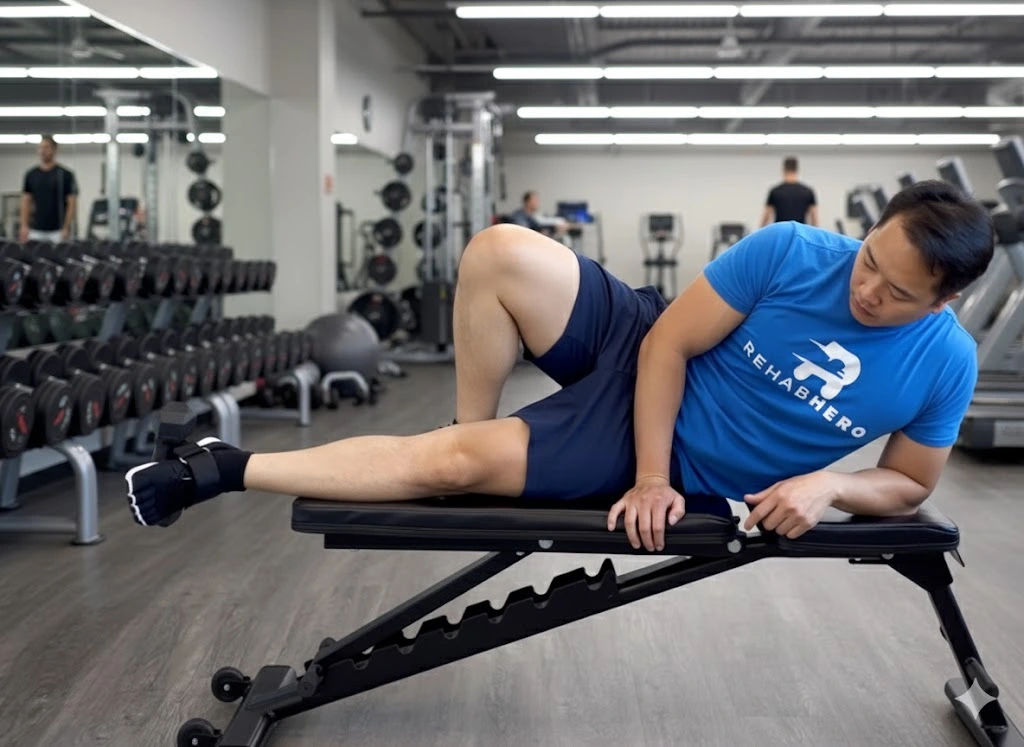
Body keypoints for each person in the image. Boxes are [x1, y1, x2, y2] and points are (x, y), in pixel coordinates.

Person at [126, 181, 993, 555]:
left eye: (896, 289)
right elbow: (668, 345)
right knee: (500, 250)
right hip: (650, 351)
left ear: (943, 300)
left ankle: (217, 465)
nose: (866, 285)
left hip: (668, 450)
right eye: (870, 257)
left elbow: (909, 484)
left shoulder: (944, 362)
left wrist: (831, 487)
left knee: (448, 466)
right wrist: (650, 480)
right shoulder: (795, 250)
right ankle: (471, 438)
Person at [19, 135, 78, 243]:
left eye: (46, 147)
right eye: (40, 147)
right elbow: (26, 201)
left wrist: (66, 227)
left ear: (54, 150)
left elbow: (72, 203)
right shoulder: (31, 174)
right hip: (35, 230)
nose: (43, 151)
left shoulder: (65, 175)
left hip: (58, 231)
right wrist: (24, 226)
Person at [761, 156, 818, 227]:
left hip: (781, 231)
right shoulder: (807, 191)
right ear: (797, 169)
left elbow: (766, 217)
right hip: (799, 231)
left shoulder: (775, 191)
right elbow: (814, 218)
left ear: (784, 169)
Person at [508, 190, 574, 237]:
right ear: (527, 202)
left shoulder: (533, 216)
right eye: (535, 200)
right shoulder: (519, 216)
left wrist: (555, 228)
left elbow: (540, 228)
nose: (537, 203)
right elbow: (525, 234)